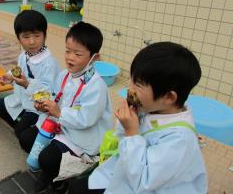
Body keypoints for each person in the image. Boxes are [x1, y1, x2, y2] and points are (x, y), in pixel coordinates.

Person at [68, 42, 207, 194]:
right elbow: (123, 141)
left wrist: (132, 133)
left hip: (143, 184)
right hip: (125, 172)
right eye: (131, 79)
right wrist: (126, 125)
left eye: (138, 84)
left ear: (168, 97)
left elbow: (144, 180)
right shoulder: (152, 108)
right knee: (79, 186)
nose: (130, 88)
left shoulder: (180, 140)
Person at [24, 21, 113, 193]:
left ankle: (58, 182)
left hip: (82, 137)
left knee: (47, 157)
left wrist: (58, 112)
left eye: (78, 54)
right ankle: (51, 172)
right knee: (27, 138)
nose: (70, 57)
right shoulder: (65, 75)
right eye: (67, 50)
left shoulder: (97, 86)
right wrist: (44, 105)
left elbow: (86, 119)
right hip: (62, 125)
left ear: (94, 57)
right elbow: (55, 96)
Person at [0, 10, 60, 143]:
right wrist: (9, 77)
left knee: (21, 134)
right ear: (18, 38)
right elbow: (18, 70)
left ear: (44, 35)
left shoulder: (49, 63)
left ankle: (32, 129)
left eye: (37, 36)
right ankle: (23, 123)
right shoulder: (23, 55)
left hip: (38, 109)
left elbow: (48, 93)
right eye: (26, 37)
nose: (32, 42)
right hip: (23, 100)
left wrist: (27, 84)